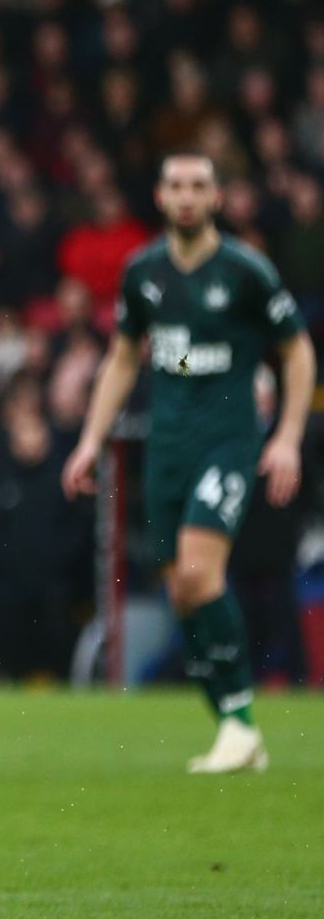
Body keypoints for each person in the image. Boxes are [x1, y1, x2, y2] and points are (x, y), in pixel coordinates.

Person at [62, 153, 315, 773]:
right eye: (175, 184)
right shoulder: (143, 272)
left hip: (228, 441)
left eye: (199, 185)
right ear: (159, 194)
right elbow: (125, 358)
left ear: (217, 197)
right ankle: (235, 725)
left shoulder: (246, 271)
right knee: (180, 591)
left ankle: (239, 720)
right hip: (167, 446)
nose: (186, 195)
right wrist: (91, 439)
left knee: (202, 574)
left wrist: (285, 436)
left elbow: (297, 350)